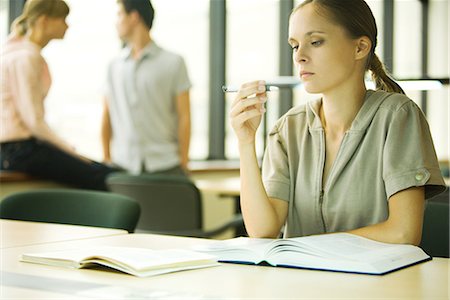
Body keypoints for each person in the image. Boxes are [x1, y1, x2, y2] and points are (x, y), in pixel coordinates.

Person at [230, 0, 446, 244]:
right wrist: (245, 142)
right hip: (302, 280)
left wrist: (309, 245)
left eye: (315, 42)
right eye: (294, 46)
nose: (300, 56)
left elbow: (403, 233)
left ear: (360, 47)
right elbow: (262, 231)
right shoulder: (288, 129)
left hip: (377, 281)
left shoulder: (397, 116)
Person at [1, 0, 117, 191]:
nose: (67, 25)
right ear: (44, 20)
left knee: (100, 169)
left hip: (14, 151)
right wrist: (70, 150)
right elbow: (34, 122)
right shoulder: (25, 57)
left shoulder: (15, 51)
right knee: (103, 175)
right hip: (20, 151)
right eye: (63, 19)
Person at [101, 0, 191, 176]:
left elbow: (184, 117)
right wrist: (106, 158)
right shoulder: (114, 66)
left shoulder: (173, 62)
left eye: (119, 14)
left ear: (134, 17)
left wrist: (184, 161)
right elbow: (106, 115)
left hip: (167, 165)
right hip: (123, 166)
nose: (116, 21)